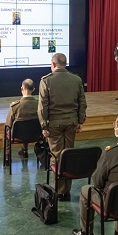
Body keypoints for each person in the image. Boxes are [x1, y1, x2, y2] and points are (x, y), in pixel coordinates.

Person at [38, 53, 87, 201]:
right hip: (71, 122)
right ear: (64, 64)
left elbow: (42, 107)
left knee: (57, 156)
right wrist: (80, 121)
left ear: (53, 64)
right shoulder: (76, 79)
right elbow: (82, 102)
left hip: (54, 124)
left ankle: (59, 191)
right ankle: (67, 190)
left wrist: (44, 125)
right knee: (69, 154)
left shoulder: (46, 81)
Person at [5, 79, 39, 158]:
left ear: (21, 88)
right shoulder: (39, 104)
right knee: (28, 124)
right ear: (33, 89)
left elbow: (8, 124)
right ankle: (24, 150)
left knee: (6, 128)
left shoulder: (15, 106)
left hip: (18, 135)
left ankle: (7, 155)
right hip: (36, 134)